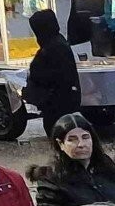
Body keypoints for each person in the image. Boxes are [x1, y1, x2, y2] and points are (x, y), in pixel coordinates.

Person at [21, 8, 81, 137]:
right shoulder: (56, 42)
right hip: (60, 99)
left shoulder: (54, 47)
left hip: (58, 100)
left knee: (57, 131)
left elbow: (57, 75)